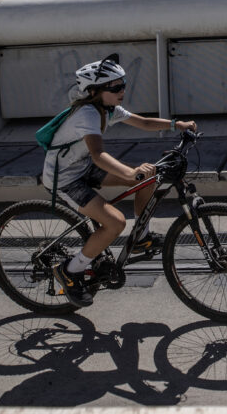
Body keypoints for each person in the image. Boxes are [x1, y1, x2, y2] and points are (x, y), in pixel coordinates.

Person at [43, 54, 197, 307]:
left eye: (123, 84)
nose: (122, 90)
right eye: (115, 87)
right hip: (65, 178)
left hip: (82, 167)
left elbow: (144, 122)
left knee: (148, 180)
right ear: (94, 91)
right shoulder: (87, 116)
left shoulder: (108, 109)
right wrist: (129, 173)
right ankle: (70, 271)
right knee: (115, 223)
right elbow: (98, 154)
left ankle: (140, 239)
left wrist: (176, 125)